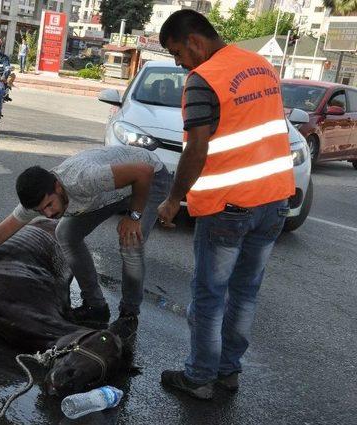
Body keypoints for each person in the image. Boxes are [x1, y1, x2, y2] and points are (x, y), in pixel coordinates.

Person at [156, 10, 295, 399]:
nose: (179, 62)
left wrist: (172, 200)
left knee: (210, 294)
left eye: (177, 52)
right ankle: (228, 372)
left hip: (229, 208)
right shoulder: (261, 65)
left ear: (195, 42)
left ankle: (199, 377)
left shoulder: (203, 79)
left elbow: (197, 150)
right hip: (275, 201)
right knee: (246, 293)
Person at [0, 145, 172, 334]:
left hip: (150, 179)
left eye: (49, 205)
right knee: (65, 232)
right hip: (111, 191)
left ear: (57, 186)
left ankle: (129, 315)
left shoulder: (83, 180)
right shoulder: (40, 198)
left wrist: (134, 216)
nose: (48, 214)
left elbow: (143, 172)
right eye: (41, 210)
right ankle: (96, 306)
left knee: (130, 242)